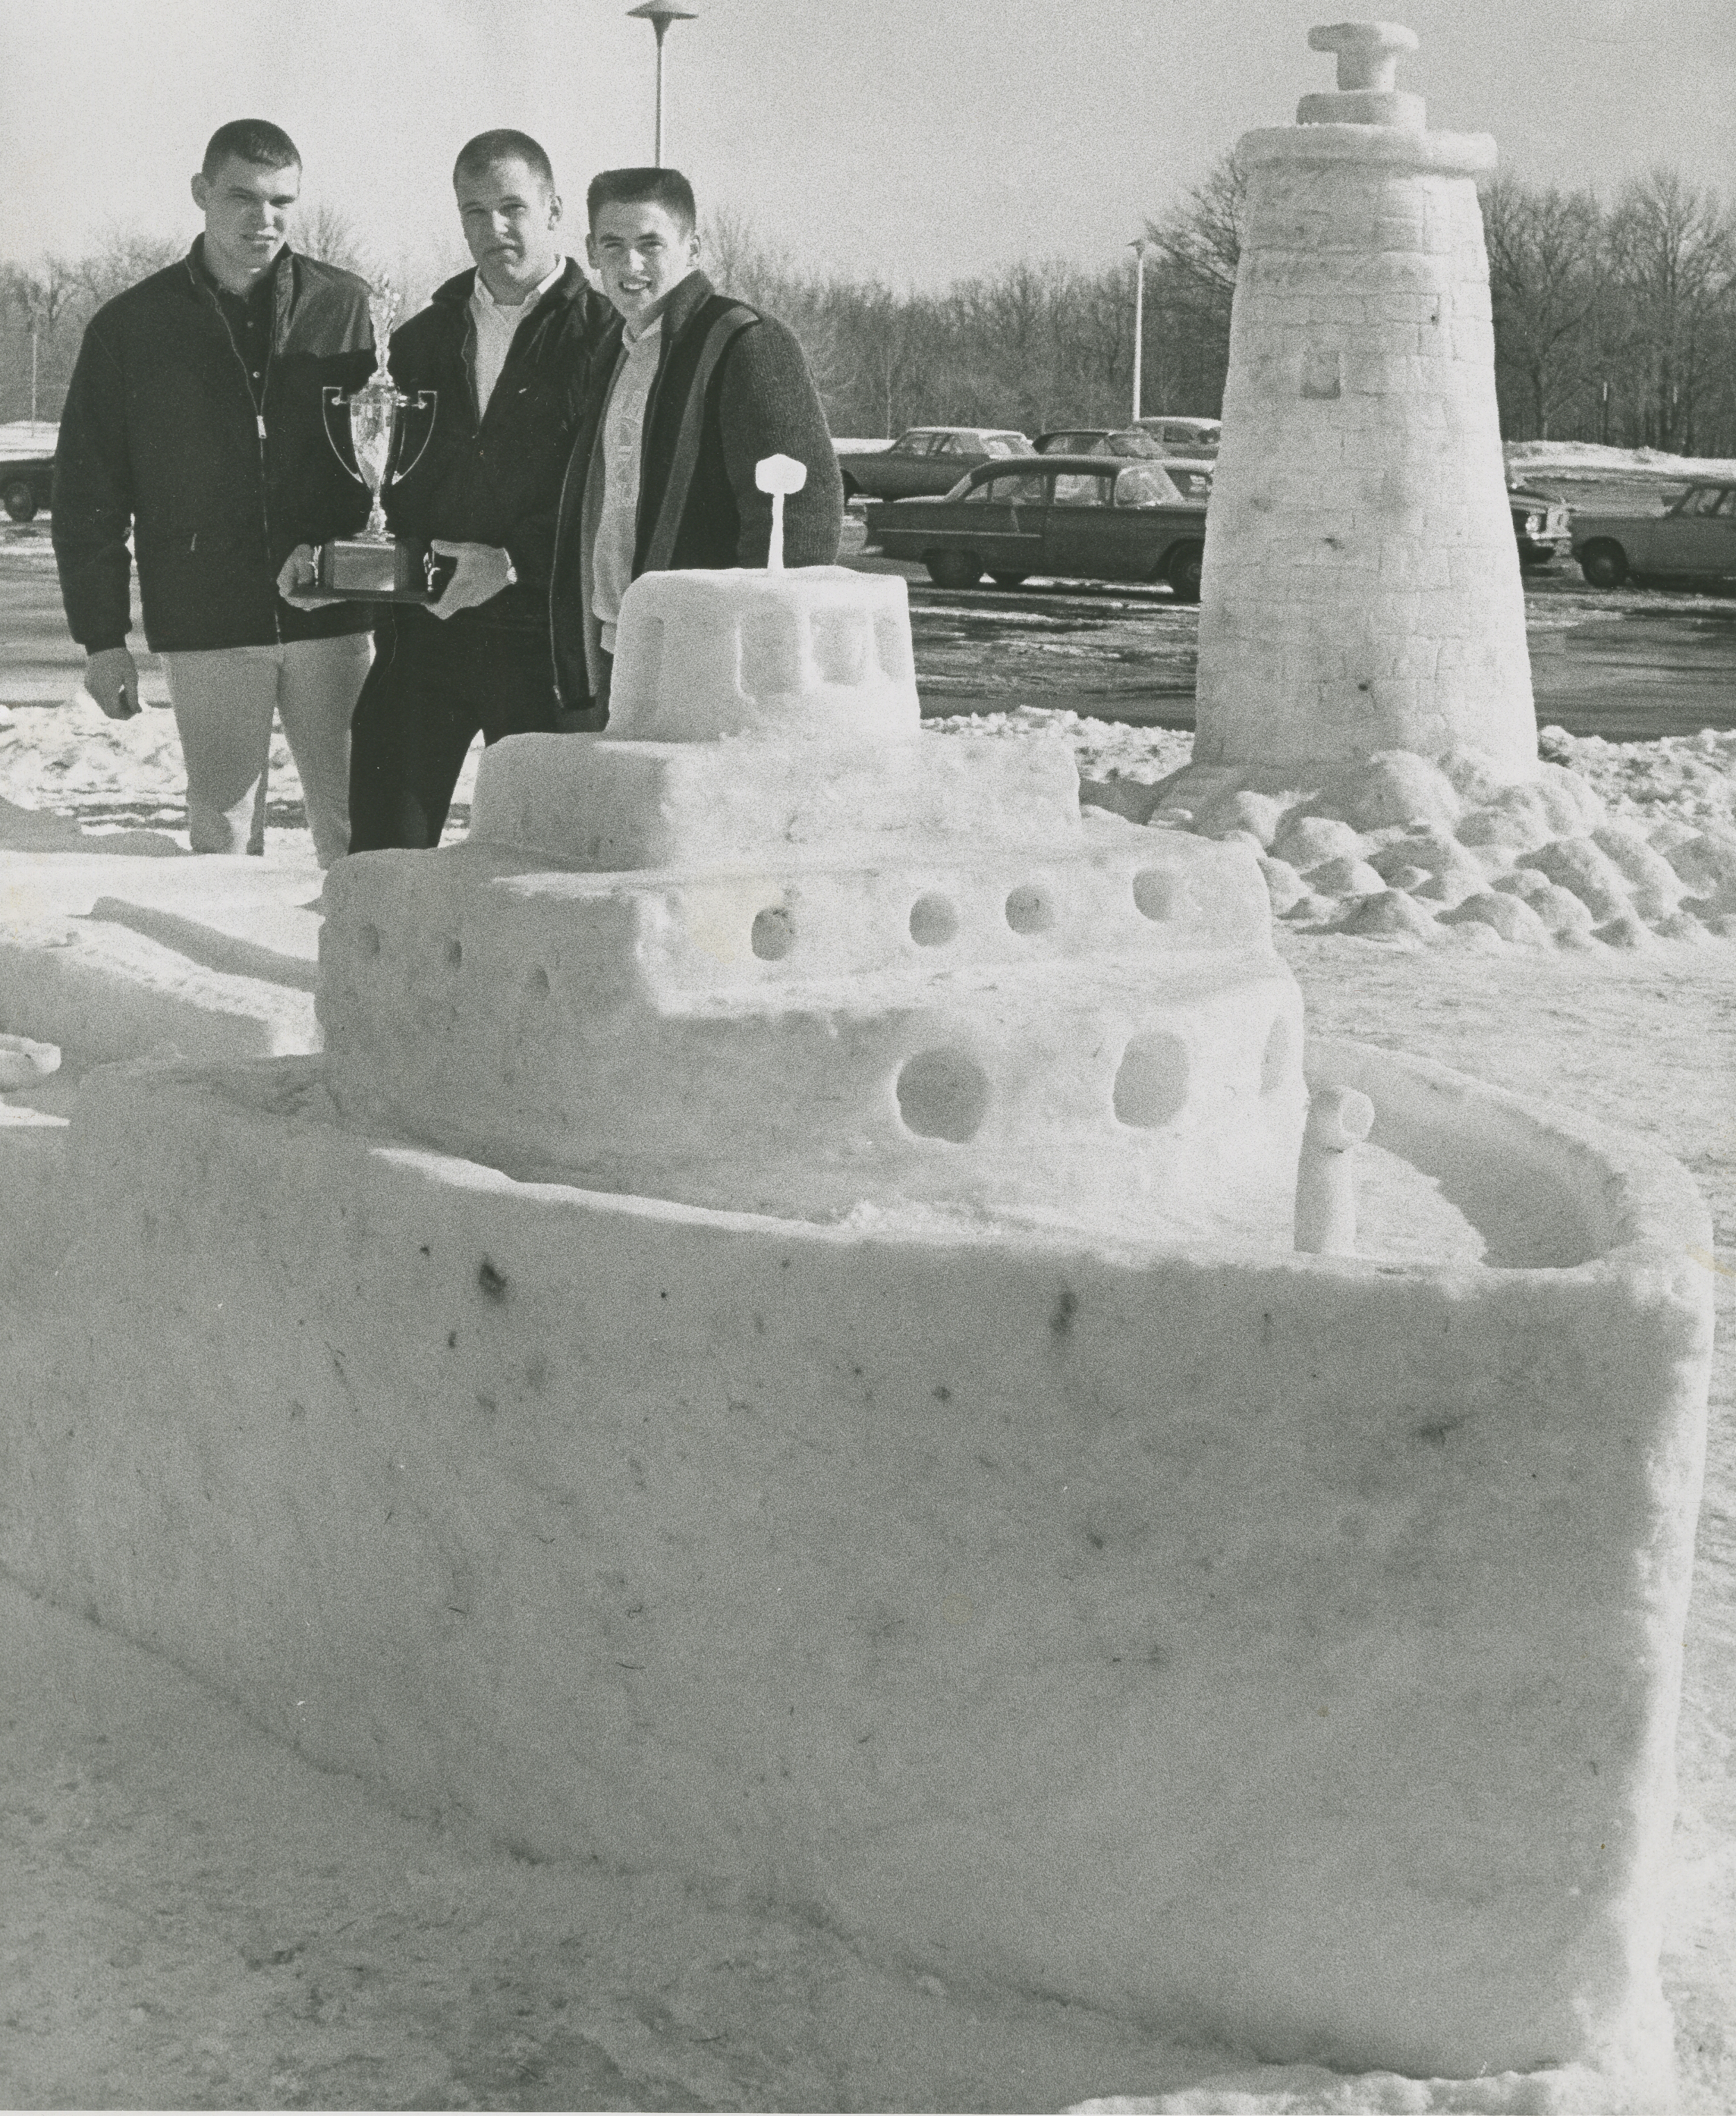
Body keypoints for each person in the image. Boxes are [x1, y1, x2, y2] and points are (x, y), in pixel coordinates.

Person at [52, 120, 375, 866]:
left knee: (361, 832)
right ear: (202, 193)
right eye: (242, 197)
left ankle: (357, 980)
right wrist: (102, 638)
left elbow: (393, 469)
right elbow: (87, 496)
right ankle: (223, 987)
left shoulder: (346, 305)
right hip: (206, 618)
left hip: (330, 613)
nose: (263, 220)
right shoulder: (129, 327)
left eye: (281, 201)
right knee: (223, 836)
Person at [317, 130, 610, 852]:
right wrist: (329, 556)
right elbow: (386, 483)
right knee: (381, 868)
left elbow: (616, 492)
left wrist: (515, 561)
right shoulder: (417, 341)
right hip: (426, 640)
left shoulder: (607, 337)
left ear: (554, 210)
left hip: (543, 651)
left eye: (512, 207)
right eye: (473, 212)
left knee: (538, 875)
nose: (494, 229)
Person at [549, 167, 843, 725]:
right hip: (619, 644)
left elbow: (801, 518)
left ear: (693, 246)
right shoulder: (612, 351)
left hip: (709, 662)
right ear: (590, 250)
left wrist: (754, 659)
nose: (630, 265)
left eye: (650, 244)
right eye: (613, 244)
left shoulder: (744, 340)